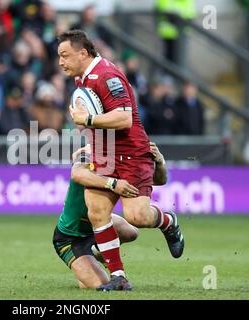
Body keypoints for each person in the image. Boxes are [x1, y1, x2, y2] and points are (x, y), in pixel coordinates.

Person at [58, 30, 184, 291]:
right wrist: (91, 146)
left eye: (65, 55)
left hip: (132, 154)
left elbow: (124, 118)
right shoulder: (82, 79)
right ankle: (119, 277)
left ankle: (168, 221)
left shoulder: (107, 75)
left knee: (137, 217)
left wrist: (88, 121)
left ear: (83, 53)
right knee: (97, 211)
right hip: (106, 153)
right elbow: (102, 121)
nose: (61, 62)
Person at [53, 142, 168, 289]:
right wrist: (114, 184)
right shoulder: (90, 153)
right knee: (100, 283)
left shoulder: (125, 158)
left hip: (96, 224)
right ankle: (84, 263)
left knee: (131, 233)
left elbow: (160, 180)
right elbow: (77, 173)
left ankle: (96, 250)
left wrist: (160, 162)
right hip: (71, 237)